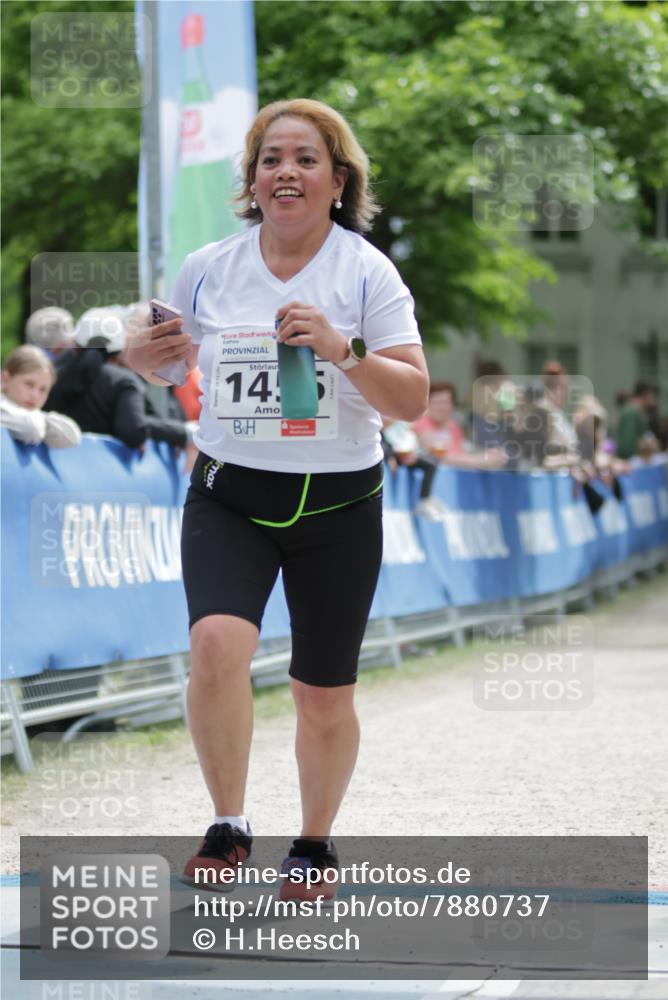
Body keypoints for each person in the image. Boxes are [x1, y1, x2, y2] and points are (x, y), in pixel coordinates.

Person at [126, 98, 429, 900]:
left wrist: (342, 347)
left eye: (305, 158)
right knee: (217, 647)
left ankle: (316, 843)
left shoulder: (366, 271)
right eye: (270, 159)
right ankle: (228, 823)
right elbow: (165, 365)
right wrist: (137, 355)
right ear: (253, 182)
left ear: (338, 179)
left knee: (321, 692)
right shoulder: (208, 266)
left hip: (338, 504)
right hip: (231, 494)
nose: (285, 171)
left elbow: (412, 400)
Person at [47, 307, 190, 452]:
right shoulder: (124, 381)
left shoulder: (51, 374)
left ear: (76, 345)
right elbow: (133, 432)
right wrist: (182, 434)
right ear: (119, 349)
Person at [1, 345, 81, 448]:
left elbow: (73, 436)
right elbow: (31, 428)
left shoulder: (36, 417)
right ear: (6, 379)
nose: (35, 395)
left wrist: (44, 422)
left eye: (43, 389)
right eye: (29, 384)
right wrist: (46, 425)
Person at [615, 381, 658, 460]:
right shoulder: (631, 413)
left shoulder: (636, 412)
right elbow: (627, 445)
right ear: (646, 394)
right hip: (629, 464)